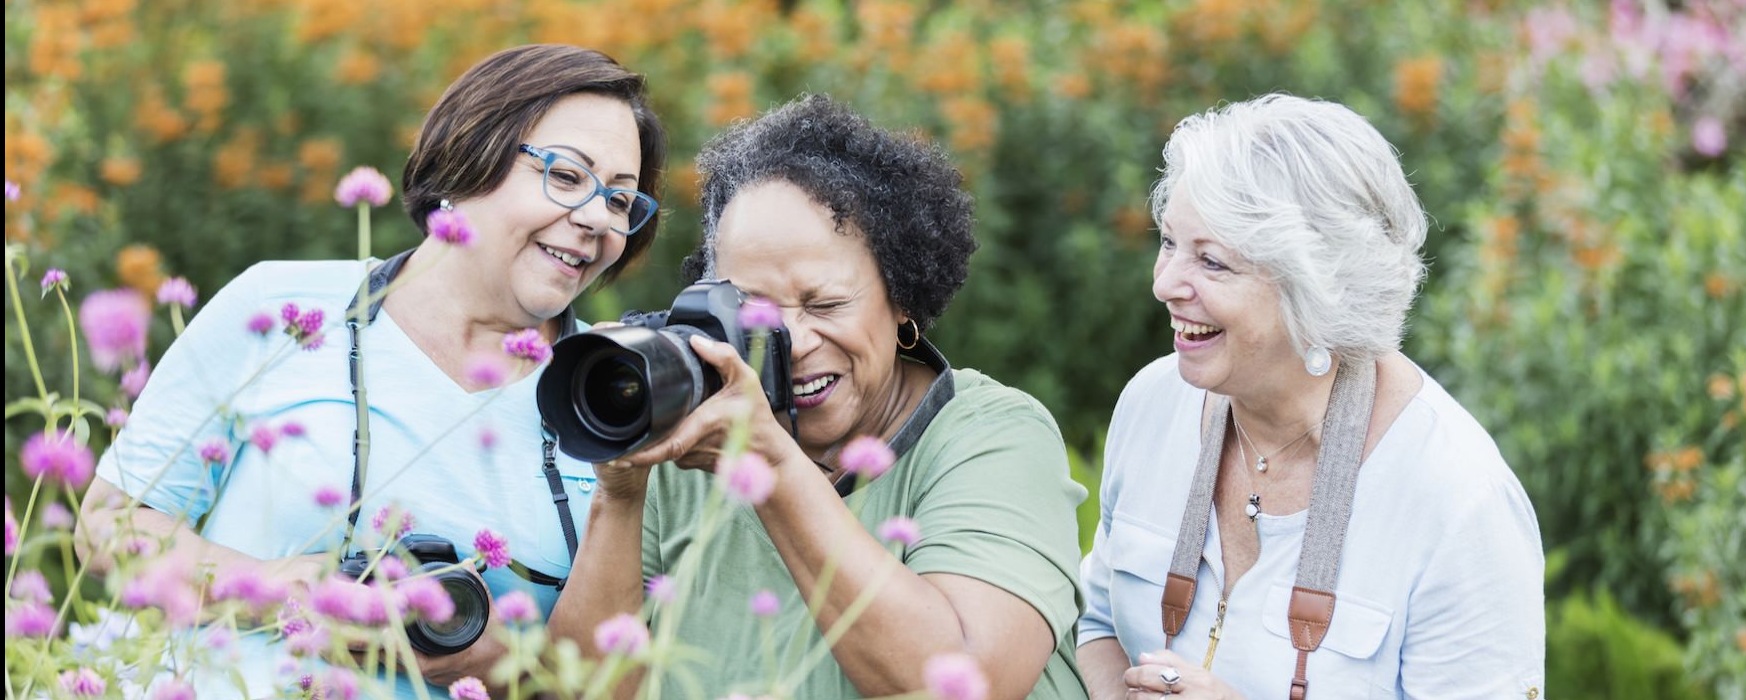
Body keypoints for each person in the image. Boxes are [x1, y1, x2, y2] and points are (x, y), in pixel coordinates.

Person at [75, 44, 666, 698]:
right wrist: (297, 593)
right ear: (472, 155)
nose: (595, 218)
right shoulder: (280, 311)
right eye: (567, 176)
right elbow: (109, 526)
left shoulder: (613, 399)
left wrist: (493, 661)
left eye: (621, 200)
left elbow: (607, 685)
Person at [548, 95, 1090, 698]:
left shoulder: (991, 435)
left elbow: (962, 683)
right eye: (754, 309)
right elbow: (580, 690)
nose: (794, 341)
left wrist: (771, 466)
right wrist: (619, 497)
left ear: (903, 296)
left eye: (825, 304)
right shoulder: (690, 441)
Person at [1075, 95, 1545, 699]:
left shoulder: (1457, 502)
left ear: (1320, 292)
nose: (1164, 284)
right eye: (1169, 243)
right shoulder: (1153, 403)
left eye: (1212, 262)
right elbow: (1098, 624)